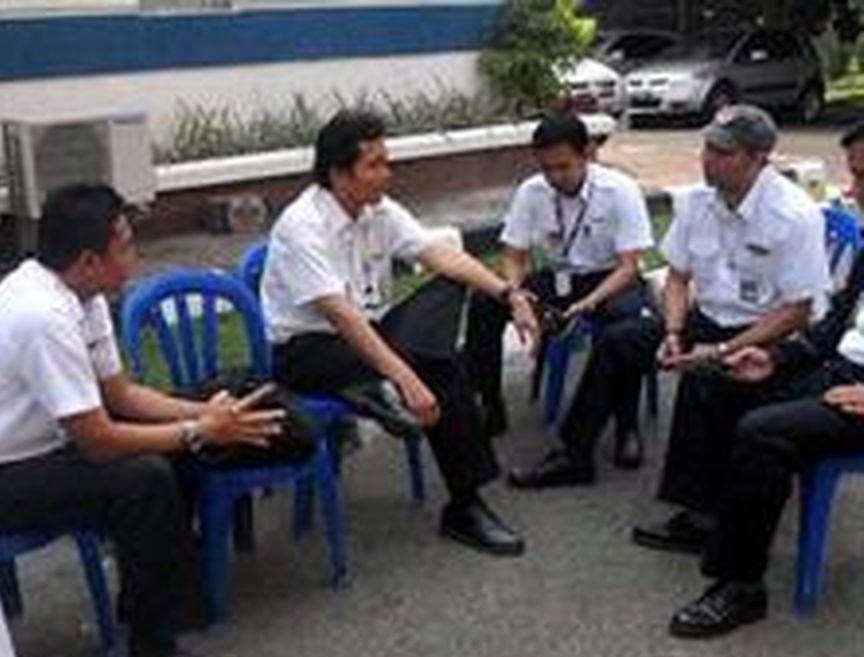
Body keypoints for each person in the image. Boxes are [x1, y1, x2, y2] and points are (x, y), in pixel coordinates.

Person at [0, 184, 285, 657]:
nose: (134, 253)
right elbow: (100, 440)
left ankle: (162, 609)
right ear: (88, 259)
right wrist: (199, 431)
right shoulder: (40, 315)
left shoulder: (84, 293)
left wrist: (207, 413)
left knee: (171, 453)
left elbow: (120, 394)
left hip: (36, 451)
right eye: (124, 244)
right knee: (141, 480)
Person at [261, 108, 540, 557]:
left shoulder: (378, 210)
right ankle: (459, 495)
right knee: (437, 368)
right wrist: (406, 376)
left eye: (386, 161)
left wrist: (509, 295)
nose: (386, 174)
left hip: (374, 333)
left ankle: (382, 394)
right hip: (309, 350)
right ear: (338, 173)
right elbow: (342, 318)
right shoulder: (302, 227)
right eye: (374, 165)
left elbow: (440, 256)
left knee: (452, 286)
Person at [630, 105, 831, 554]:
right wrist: (674, 330)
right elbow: (677, 276)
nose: (708, 159)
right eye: (707, 147)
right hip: (710, 316)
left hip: (771, 331)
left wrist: (720, 349)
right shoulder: (700, 201)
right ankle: (605, 445)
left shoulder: (793, 215)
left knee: (707, 377)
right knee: (626, 340)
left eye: (723, 151)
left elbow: (798, 311)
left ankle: (703, 516)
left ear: (759, 158)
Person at [667, 266, 864, 637]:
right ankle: (705, 517)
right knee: (714, 379)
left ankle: (741, 585)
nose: (855, 203)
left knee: (763, 433)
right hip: (842, 372)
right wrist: (775, 359)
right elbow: (832, 329)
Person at [465, 113, 656, 488]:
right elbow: (514, 254)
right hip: (557, 279)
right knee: (486, 301)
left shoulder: (620, 190)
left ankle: (626, 426)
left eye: (563, 167)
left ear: (588, 154)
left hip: (610, 280)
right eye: (546, 168)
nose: (555, 177)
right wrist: (516, 294)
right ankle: (491, 404)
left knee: (624, 324)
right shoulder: (532, 191)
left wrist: (590, 303)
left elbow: (629, 266)